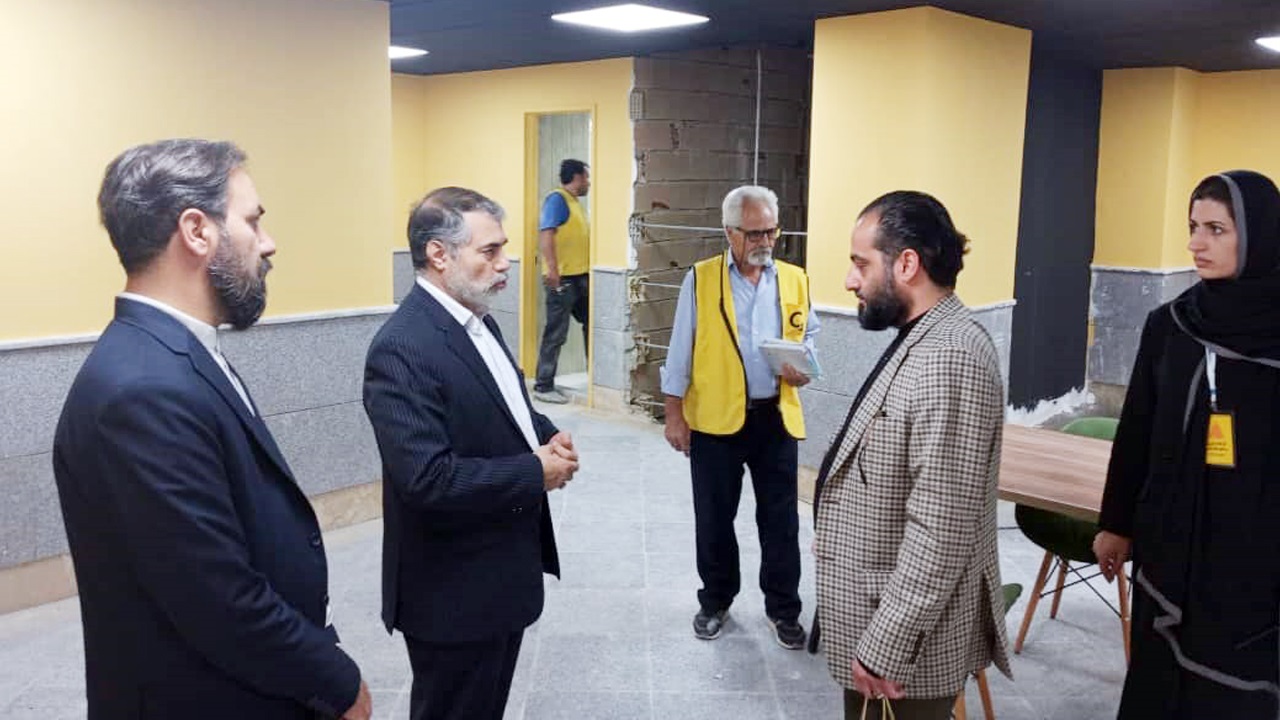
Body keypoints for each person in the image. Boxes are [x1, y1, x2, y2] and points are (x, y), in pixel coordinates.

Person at [52, 139, 371, 720]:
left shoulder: (174, 353)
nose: (268, 244)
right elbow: (217, 598)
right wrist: (339, 683)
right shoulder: (141, 390)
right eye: (252, 221)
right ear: (197, 231)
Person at [363, 186, 578, 720]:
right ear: (439, 254)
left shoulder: (479, 320)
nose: (505, 264)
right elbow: (427, 480)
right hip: (453, 593)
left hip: (500, 574)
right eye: (490, 251)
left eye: (504, 248)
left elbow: (504, 407)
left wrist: (546, 433)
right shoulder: (402, 348)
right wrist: (534, 471)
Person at [812, 191, 1010, 720]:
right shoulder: (923, 335)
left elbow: (941, 529)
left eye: (861, 264)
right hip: (879, 620)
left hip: (905, 652)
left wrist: (886, 645)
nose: (850, 280)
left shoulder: (950, 357)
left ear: (906, 264)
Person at [1093, 170, 1280, 718]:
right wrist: (1115, 523)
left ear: (1259, 234)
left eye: (1216, 229)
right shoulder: (1171, 325)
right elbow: (1137, 431)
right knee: (1160, 680)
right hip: (1169, 542)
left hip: (1253, 555)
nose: (1197, 243)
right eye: (1193, 227)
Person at [660, 185, 818, 649]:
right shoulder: (701, 279)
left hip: (775, 419)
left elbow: (809, 336)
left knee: (781, 521)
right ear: (729, 232)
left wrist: (804, 366)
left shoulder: (794, 279)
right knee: (714, 518)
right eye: (754, 234)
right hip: (715, 422)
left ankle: (783, 610)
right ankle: (715, 602)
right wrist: (674, 415)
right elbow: (680, 350)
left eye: (771, 231)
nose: (764, 242)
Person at [532, 158, 591, 404]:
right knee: (556, 333)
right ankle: (543, 386)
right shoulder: (557, 200)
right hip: (563, 279)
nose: (588, 182)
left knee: (591, 325)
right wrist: (553, 270)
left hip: (581, 276)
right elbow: (546, 234)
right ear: (576, 177)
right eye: (586, 177)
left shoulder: (575, 203)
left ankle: (594, 378)